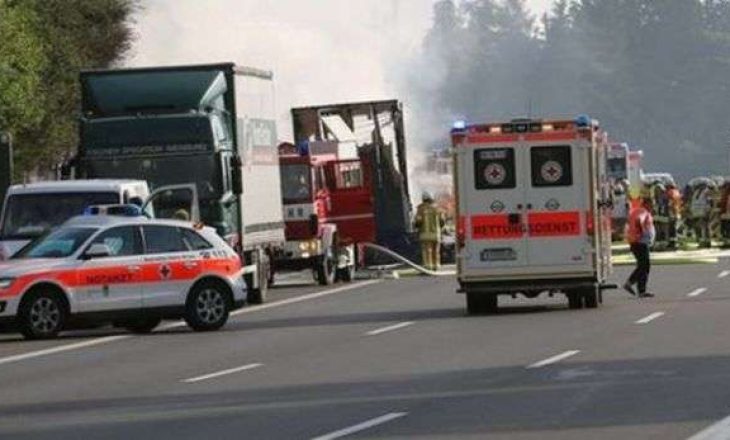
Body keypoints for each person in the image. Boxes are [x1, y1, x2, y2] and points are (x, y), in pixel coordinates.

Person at [624, 197, 656, 298]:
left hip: (637, 242)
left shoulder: (637, 211)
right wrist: (641, 233)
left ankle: (632, 284)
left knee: (643, 265)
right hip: (640, 242)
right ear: (647, 204)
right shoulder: (642, 212)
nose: (653, 207)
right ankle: (638, 288)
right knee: (644, 266)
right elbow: (639, 220)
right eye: (652, 204)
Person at [415, 191, 445, 271]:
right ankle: (436, 266)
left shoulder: (420, 208)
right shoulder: (437, 208)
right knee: (436, 251)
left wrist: (416, 226)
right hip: (436, 234)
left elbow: (418, 221)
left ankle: (427, 267)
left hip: (425, 234)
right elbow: (442, 221)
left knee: (427, 251)